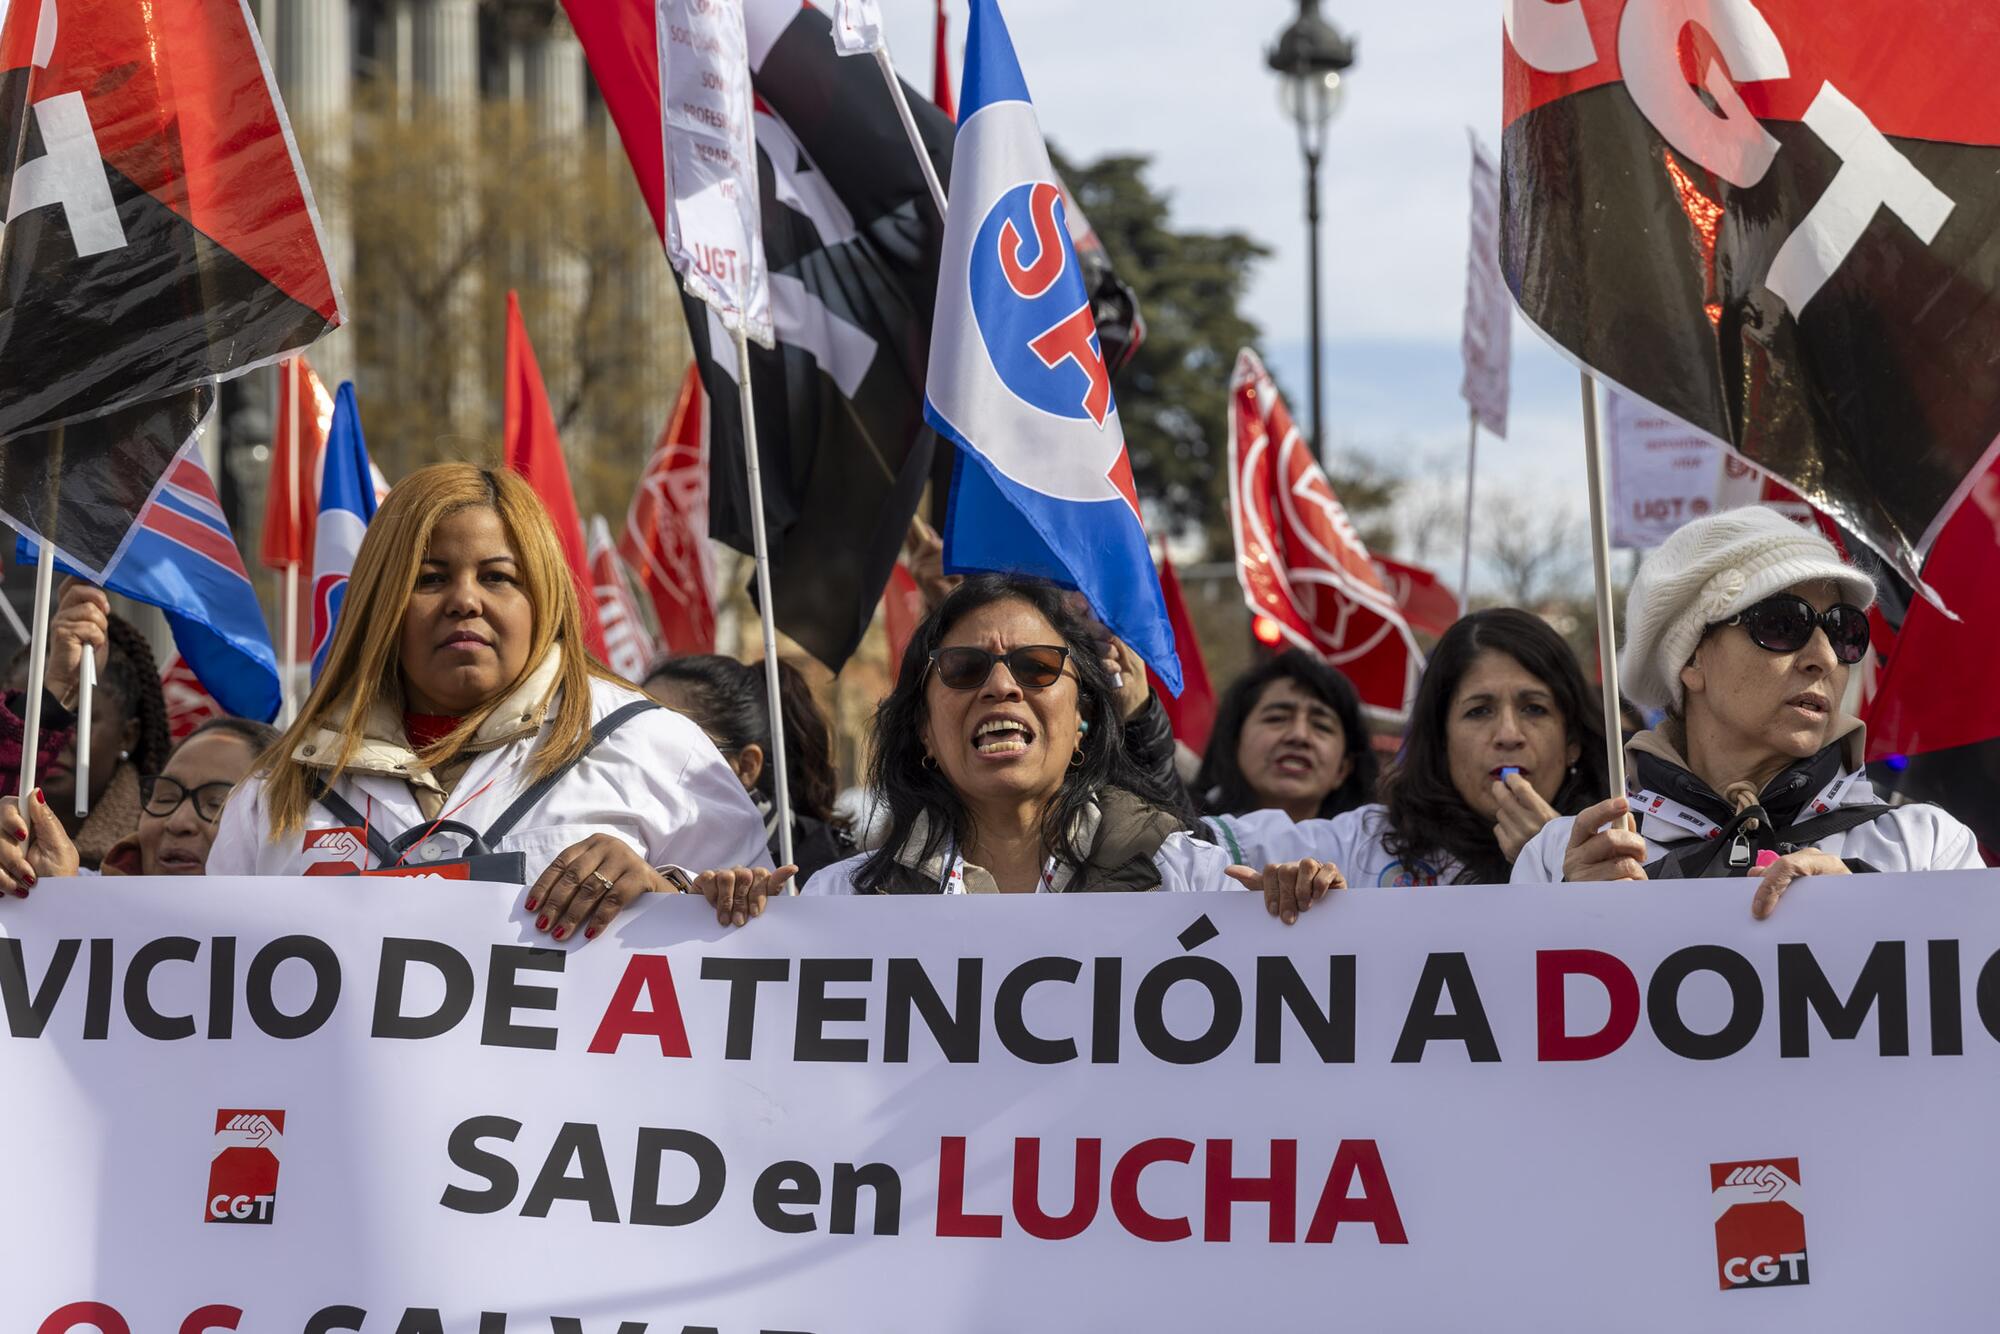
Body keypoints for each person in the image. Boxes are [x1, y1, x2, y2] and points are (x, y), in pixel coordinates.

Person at [208, 463, 770, 941]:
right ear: (383, 602)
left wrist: (662, 888)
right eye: (428, 579)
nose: (464, 601)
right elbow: (216, 984)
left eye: (498, 577)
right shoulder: (279, 787)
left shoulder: (653, 747)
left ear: (542, 597)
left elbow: (769, 960)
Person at [693, 574, 1261, 922]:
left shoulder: (1189, 878)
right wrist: (722, 928)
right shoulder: (846, 900)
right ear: (923, 733)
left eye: (1037, 666)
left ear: (1083, 714)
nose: (1002, 686)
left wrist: (1306, 921)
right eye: (964, 669)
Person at [1515, 507, 1984, 912]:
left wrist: (1874, 921)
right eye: (1783, 624)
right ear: (1691, 658)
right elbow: (1510, 1012)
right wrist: (1567, 920)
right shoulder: (1567, 857)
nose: (1823, 656)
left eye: (1844, 631)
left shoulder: (1926, 847)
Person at [1217, 609, 1609, 919]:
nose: (1508, 733)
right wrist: (1298, 887)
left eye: (1534, 709)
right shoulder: (1362, 845)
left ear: (1572, 742)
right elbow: (1182, 848)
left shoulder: (1624, 844)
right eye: (1479, 711)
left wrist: (1555, 861)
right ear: (1440, 740)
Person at [643, 654, 856, 886]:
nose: (635, 760)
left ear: (746, 766)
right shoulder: (623, 850)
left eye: (663, 746)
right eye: (627, 736)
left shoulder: (838, 879)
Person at [1, 580, 172, 869]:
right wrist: (58, 687)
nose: (57, 734)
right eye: (22, 713)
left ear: (128, 736)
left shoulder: (162, 848)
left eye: (77, 717)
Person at [10, 716, 281, 878]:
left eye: (217, 804)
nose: (178, 822)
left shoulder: (315, 940)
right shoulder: (69, 890)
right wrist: (48, 899)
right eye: (165, 798)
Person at [1191, 649, 1378, 822]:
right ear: (1235, 742)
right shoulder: (1179, 840)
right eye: (1277, 718)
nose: (1299, 735)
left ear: (1343, 769)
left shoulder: (1367, 853)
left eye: (1321, 726)